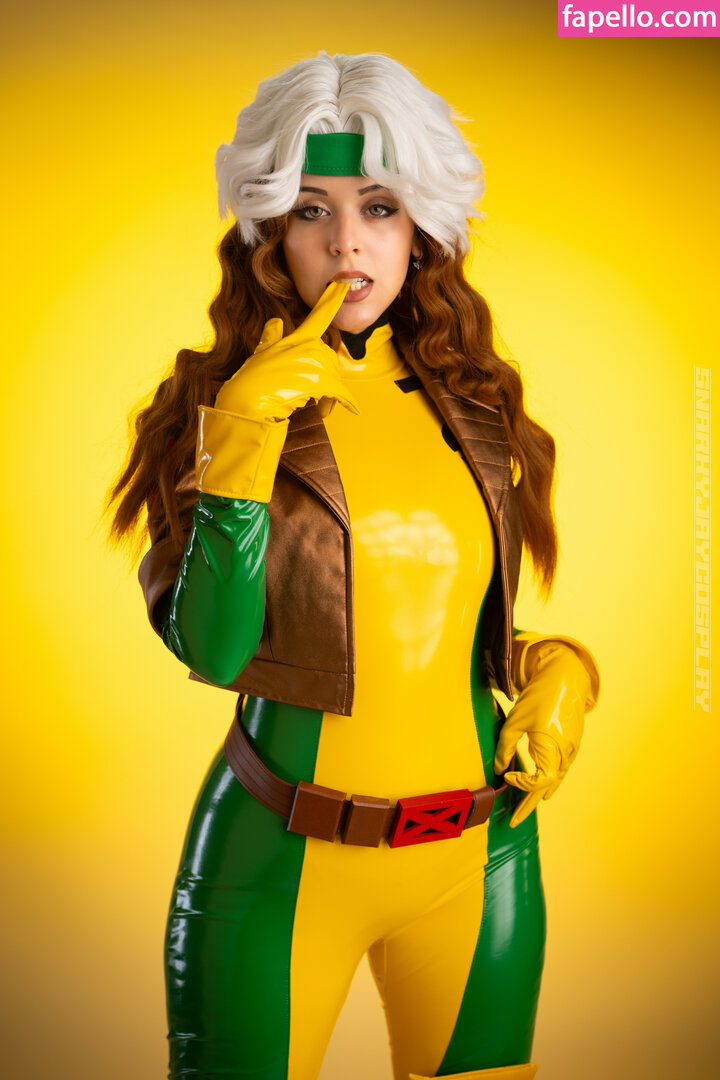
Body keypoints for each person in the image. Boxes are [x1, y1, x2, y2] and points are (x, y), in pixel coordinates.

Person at [108, 50, 600, 1080]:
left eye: (378, 207)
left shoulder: (477, 407)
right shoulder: (218, 407)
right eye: (311, 210)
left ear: (421, 227)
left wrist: (560, 669)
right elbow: (218, 647)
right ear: (268, 231)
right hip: (278, 862)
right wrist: (242, 432)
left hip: (482, 857)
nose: (345, 242)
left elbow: (425, 623)